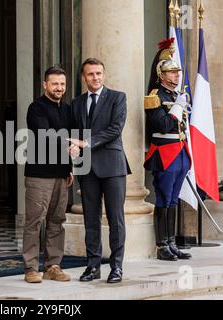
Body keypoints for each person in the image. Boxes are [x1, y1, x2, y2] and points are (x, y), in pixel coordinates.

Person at [68, 58, 131, 284]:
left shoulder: (117, 98)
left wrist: (86, 142)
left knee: (116, 219)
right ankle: (93, 266)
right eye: (90, 74)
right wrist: (74, 147)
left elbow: (115, 129)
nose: (95, 77)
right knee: (90, 220)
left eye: (98, 73)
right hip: (87, 169)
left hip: (113, 167)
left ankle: (116, 267)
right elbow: (73, 132)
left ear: (103, 75)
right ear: (83, 78)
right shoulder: (76, 103)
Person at [23, 66, 74, 284]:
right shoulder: (36, 108)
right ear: (45, 85)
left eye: (62, 84)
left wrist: (69, 167)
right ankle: (31, 267)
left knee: (57, 220)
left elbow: (70, 137)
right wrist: (70, 144)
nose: (59, 88)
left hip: (61, 173)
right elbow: (45, 136)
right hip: (39, 173)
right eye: (55, 84)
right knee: (35, 220)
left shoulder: (67, 109)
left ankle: (53, 265)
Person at [144, 38, 192, 261]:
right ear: (161, 75)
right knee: (163, 198)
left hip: (180, 151)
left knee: (173, 199)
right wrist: (178, 107)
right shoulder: (155, 97)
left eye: (177, 71)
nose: (176, 75)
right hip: (164, 152)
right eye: (172, 72)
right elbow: (162, 125)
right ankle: (162, 245)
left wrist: (179, 103)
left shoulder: (175, 95)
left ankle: (172, 242)